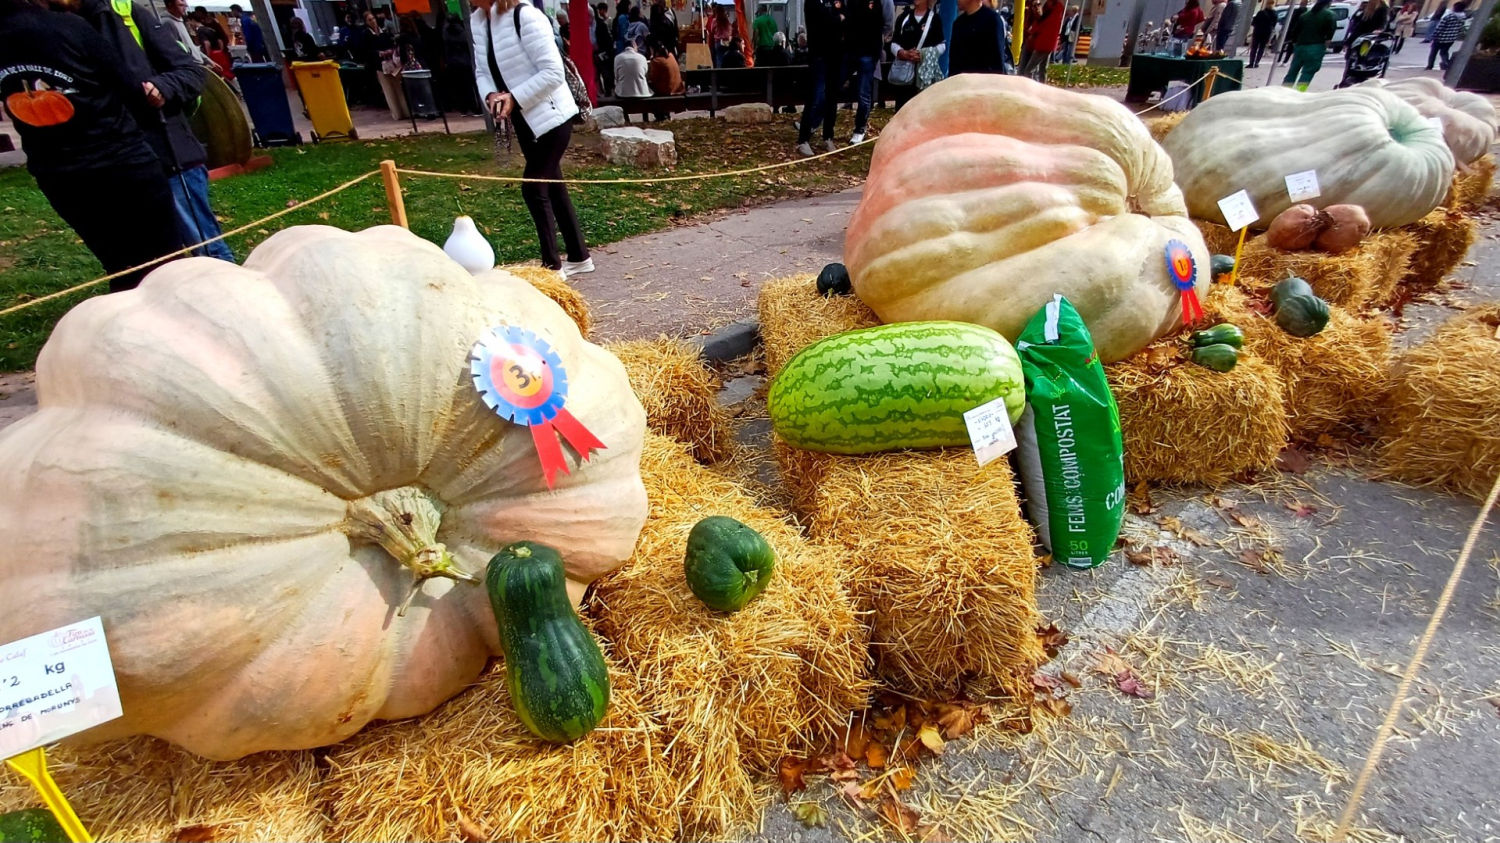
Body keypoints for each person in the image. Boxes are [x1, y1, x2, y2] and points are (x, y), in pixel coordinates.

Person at [1, 0, 185, 291]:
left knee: (119, 265)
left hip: (59, 173)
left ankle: (133, 315)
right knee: (166, 262)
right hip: (121, 159)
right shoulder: (69, 26)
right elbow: (129, 87)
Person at [472, 0, 593, 276]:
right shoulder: (478, 21)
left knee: (534, 187)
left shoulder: (526, 15)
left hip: (553, 115)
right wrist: (491, 95)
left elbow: (553, 73)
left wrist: (515, 97)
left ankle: (552, 267)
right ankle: (579, 256)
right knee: (552, 185)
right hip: (522, 120)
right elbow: (481, 70)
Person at [795, 0, 843, 156]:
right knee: (815, 96)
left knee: (831, 98)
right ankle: (803, 139)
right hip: (818, 55)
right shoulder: (812, 2)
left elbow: (844, 15)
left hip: (835, 54)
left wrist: (838, 19)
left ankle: (828, 136)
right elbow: (825, 20)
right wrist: (837, 19)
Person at [844, 0, 892, 144]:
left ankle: (860, 129)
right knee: (834, 84)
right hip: (851, 49)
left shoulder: (884, 1)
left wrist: (878, 40)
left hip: (869, 51)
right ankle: (815, 122)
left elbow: (888, 24)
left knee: (863, 92)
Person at [888, 0, 944, 109]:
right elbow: (894, 43)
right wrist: (903, 53)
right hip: (904, 77)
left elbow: (942, 45)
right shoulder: (904, 17)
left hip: (924, 76)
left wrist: (924, 54)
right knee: (902, 109)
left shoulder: (935, 19)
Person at [1282, 0, 1334, 89]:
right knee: (1308, 72)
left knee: (1292, 71)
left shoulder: (1305, 15)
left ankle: (1284, 89)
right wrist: (1325, 46)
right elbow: (1330, 34)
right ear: (1328, 3)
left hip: (1300, 46)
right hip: (1316, 47)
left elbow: (1295, 32)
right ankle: (1299, 92)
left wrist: (1295, 44)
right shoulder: (1329, 15)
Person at [949, 0, 1006, 73]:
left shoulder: (992, 20)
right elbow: (953, 65)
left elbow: (997, 64)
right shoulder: (958, 24)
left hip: (985, 81)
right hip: (962, 82)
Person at [1019, 0, 1062, 79]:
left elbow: (1045, 24)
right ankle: (1041, 87)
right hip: (1034, 41)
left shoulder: (1055, 7)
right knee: (1040, 69)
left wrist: (1032, 31)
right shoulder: (1046, 6)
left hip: (1043, 43)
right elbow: (1036, 20)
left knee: (1029, 70)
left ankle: (1031, 89)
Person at [162, 0, 208, 64]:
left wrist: (208, 61)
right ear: (170, 5)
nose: (185, 6)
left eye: (184, 4)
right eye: (180, 5)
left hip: (198, 64)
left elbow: (191, 47)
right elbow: (176, 50)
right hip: (191, 65)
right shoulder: (167, 22)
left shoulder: (179, 20)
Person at [1428, 0, 1468, 69]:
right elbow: (1460, 28)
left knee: (1433, 52)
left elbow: (1440, 27)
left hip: (1440, 38)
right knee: (1444, 52)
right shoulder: (1463, 18)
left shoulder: (1449, 17)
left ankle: (1430, 66)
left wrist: (1433, 36)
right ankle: (1446, 63)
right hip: (1451, 38)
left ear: (1455, 8)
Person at [1248, 0, 1276, 65]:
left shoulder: (1261, 12)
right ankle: (1257, 62)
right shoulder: (1274, 14)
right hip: (1266, 33)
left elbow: (1254, 23)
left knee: (1254, 48)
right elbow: (1274, 25)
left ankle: (1251, 63)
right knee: (1261, 48)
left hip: (1257, 32)